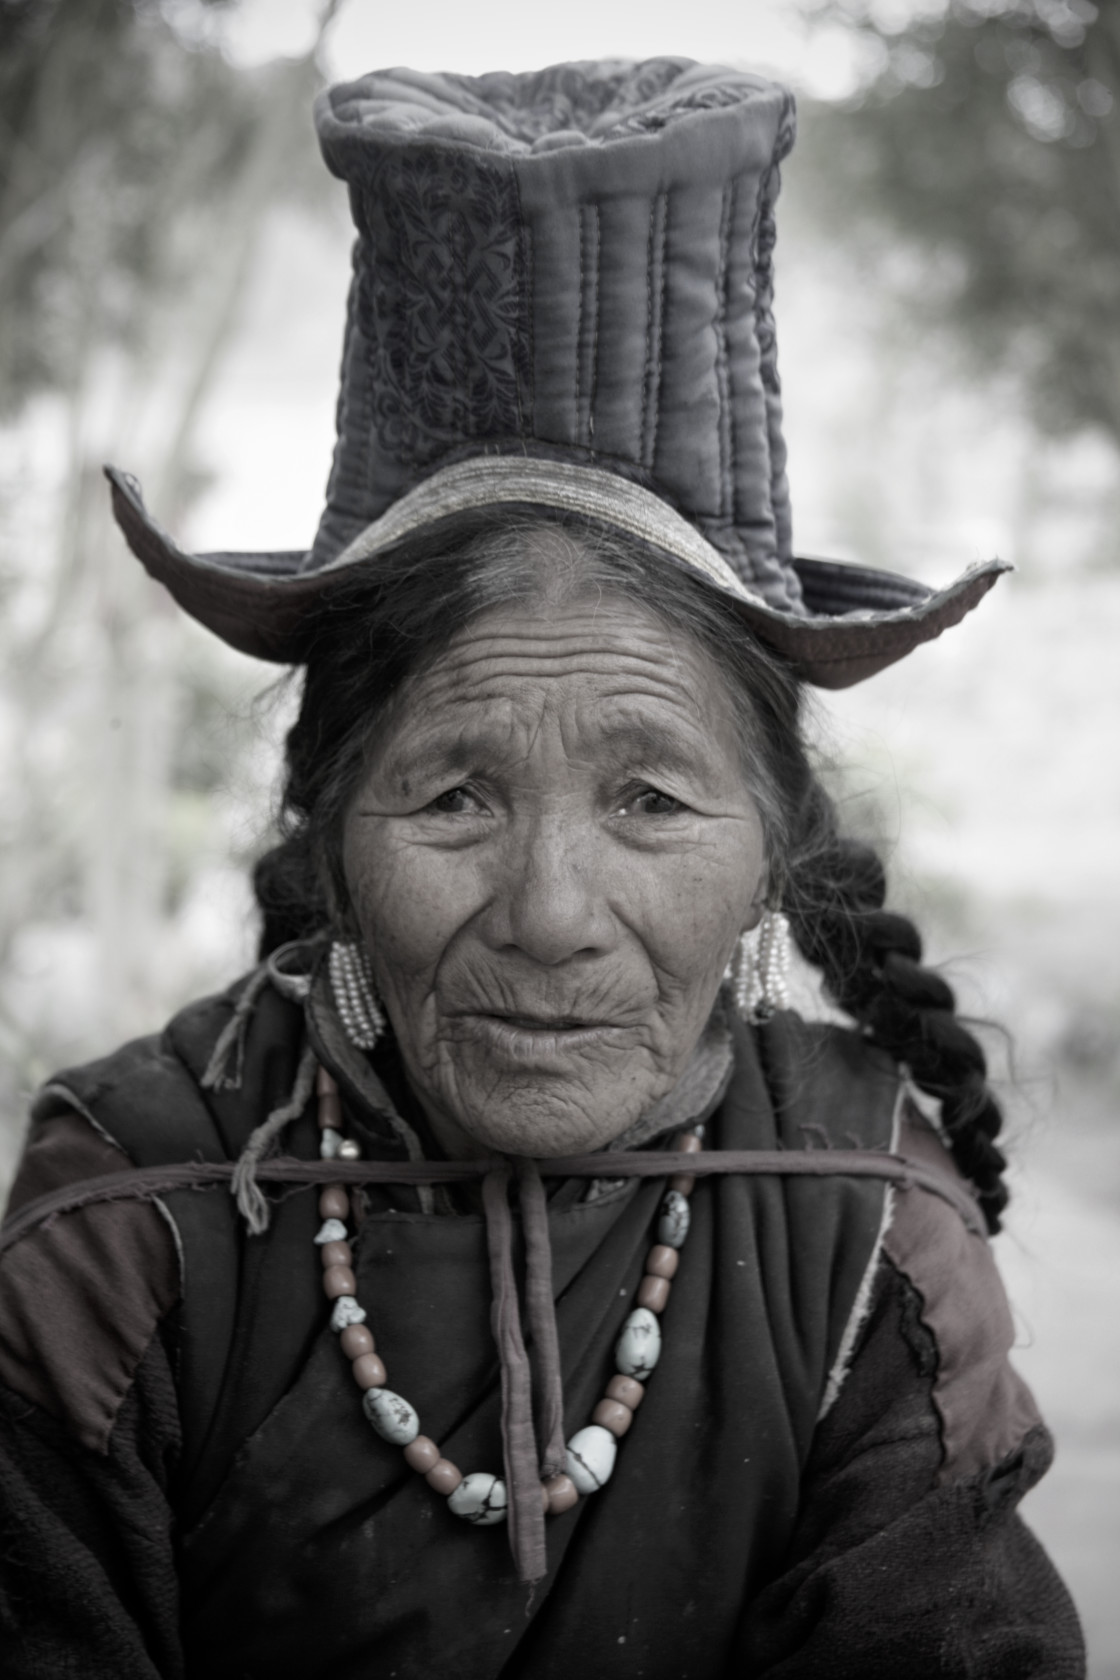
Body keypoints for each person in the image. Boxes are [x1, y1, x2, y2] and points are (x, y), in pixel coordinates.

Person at [0, 59, 1085, 1679]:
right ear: (330, 828)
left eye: (650, 801)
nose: (555, 915)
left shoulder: (868, 1231)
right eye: (453, 802)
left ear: (772, 854)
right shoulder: (131, 1226)